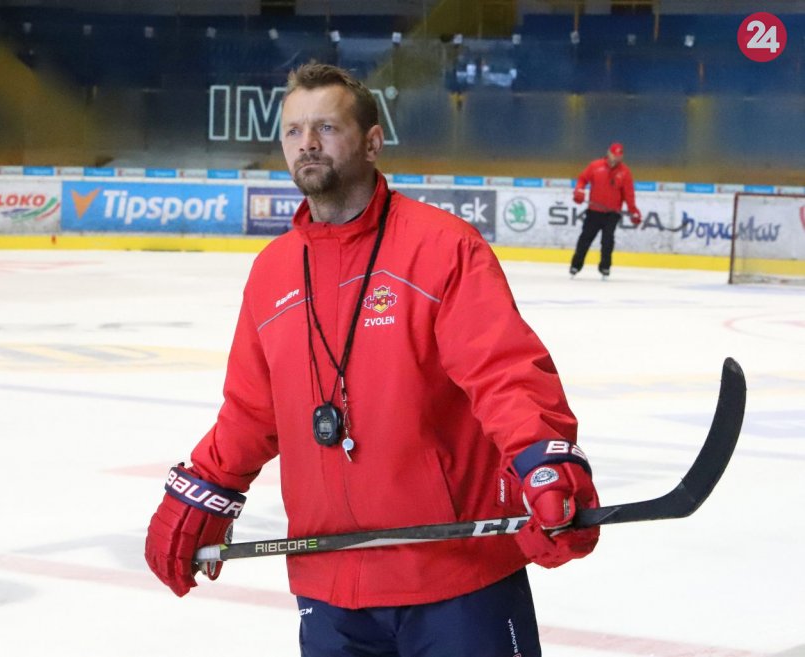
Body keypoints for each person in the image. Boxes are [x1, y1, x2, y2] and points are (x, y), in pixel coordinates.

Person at [145, 63, 600, 657]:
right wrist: (204, 488)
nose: (307, 143)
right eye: (293, 131)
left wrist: (542, 456)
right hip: (329, 587)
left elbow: (503, 372)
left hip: (456, 577)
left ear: (372, 141)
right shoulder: (272, 272)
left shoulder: (442, 248)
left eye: (327, 127)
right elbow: (252, 411)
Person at [569, 142, 641, 279]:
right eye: (614, 155)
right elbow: (582, 179)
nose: (616, 158)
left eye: (619, 155)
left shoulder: (625, 172)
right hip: (594, 211)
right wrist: (579, 190)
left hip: (612, 214)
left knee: (608, 241)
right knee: (585, 239)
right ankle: (576, 265)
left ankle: (605, 267)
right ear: (609, 153)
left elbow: (629, 194)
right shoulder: (595, 166)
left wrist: (633, 211)